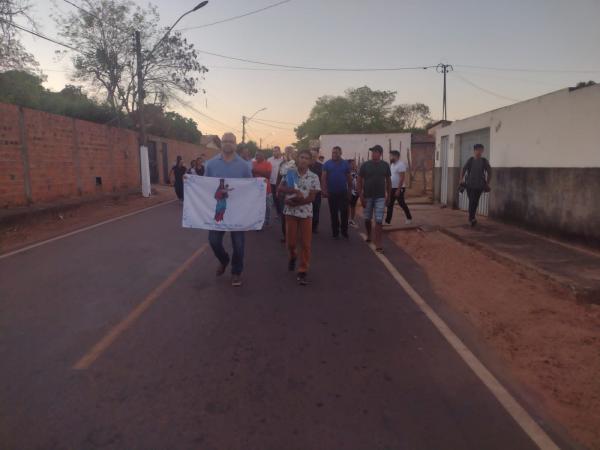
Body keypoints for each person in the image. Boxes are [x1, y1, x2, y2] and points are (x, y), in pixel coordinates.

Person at [204, 132, 252, 287]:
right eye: (225, 141)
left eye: (231, 141)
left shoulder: (244, 166)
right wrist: (189, 181)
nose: (228, 143)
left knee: (238, 244)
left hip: (237, 212)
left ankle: (236, 272)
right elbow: (203, 186)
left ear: (235, 144)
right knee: (213, 241)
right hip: (219, 209)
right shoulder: (210, 164)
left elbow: (250, 187)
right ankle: (224, 260)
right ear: (221, 143)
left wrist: (261, 184)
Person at [278, 149, 321, 285]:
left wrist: (296, 201)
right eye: (301, 157)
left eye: (306, 158)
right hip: (290, 213)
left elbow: (312, 197)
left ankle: (303, 270)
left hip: (306, 214)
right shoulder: (290, 173)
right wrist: (292, 192)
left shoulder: (314, 177)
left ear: (310, 161)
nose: (303, 160)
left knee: (306, 244)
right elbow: (280, 189)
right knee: (290, 242)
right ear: (297, 159)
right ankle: (292, 256)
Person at [358, 145, 391, 253]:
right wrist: (361, 196)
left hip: (380, 197)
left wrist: (389, 195)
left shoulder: (385, 165)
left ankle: (378, 242)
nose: (373, 154)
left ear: (380, 154)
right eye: (372, 152)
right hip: (367, 196)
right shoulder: (365, 165)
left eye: (375, 152)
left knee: (378, 220)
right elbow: (359, 181)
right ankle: (369, 234)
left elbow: (388, 181)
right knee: (367, 219)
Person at [322, 146, 351, 239]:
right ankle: (335, 231)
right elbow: (323, 178)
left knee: (344, 213)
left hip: (343, 192)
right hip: (332, 193)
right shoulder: (327, 164)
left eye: (336, 152)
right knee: (333, 213)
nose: (334, 154)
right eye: (333, 152)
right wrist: (324, 190)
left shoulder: (345, 164)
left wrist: (350, 191)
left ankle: (344, 231)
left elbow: (349, 178)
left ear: (340, 153)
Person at [460, 143, 492, 227]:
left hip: (479, 186)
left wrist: (487, 183)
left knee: (474, 201)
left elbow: (490, 172)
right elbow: (464, 169)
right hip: (469, 185)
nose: (479, 151)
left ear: (482, 151)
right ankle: (472, 218)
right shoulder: (470, 160)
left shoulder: (484, 161)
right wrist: (461, 179)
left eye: (481, 150)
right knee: (472, 201)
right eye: (478, 150)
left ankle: (471, 219)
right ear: (474, 150)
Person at [386, 150, 413, 225]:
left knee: (401, 203)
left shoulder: (401, 164)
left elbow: (402, 178)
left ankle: (409, 218)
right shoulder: (392, 165)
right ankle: (387, 221)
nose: (390, 157)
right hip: (392, 188)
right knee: (390, 204)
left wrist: (398, 190)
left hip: (399, 188)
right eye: (390, 155)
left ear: (396, 156)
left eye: (391, 156)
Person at [277, 146, 297, 242]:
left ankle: (294, 235)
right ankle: (285, 236)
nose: (288, 153)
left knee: (294, 214)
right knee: (284, 215)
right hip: (283, 192)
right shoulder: (282, 164)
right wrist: (278, 190)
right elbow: (279, 177)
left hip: (294, 192)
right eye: (287, 151)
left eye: (290, 151)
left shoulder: (297, 164)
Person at [252, 151, 273, 228]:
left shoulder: (268, 164)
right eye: (255, 155)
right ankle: (258, 221)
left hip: (266, 189)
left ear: (262, 156)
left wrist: (256, 171)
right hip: (255, 189)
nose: (256, 157)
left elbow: (268, 175)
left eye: (258, 155)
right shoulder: (253, 163)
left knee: (267, 206)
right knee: (257, 206)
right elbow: (251, 173)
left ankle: (267, 220)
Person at [309, 147, 323, 233]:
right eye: (311, 155)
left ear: (317, 155)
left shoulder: (321, 166)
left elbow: (323, 179)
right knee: (307, 208)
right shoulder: (306, 165)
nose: (313, 157)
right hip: (306, 191)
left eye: (314, 155)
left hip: (317, 192)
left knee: (316, 209)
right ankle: (306, 225)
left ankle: (314, 226)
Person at [268, 146, 284, 217]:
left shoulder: (283, 160)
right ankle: (278, 213)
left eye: (276, 151)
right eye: (274, 151)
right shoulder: (269, 160)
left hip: (282, 183)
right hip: (272, 183)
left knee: (281, 198)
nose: (275, 152)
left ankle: (283, 212)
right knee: (275, 199)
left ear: (280, 151)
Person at [348, 158, 359, 227]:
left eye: (354, 164)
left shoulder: (357, 172)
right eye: (352, 164)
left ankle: (352, 220)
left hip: (355, 192)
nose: (354, 165)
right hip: (348, 191)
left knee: (353, 206)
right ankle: (346, 220)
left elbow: (360, 181)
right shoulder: (346, 172)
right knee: (347, 206)